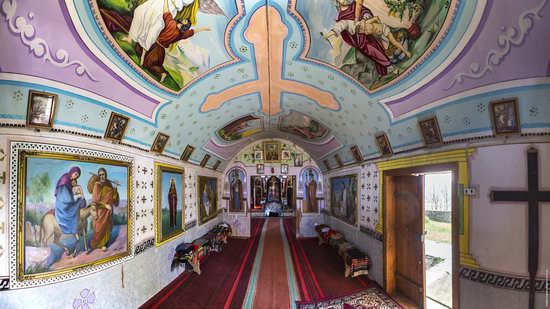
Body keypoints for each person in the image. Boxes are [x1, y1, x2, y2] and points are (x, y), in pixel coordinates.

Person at [134, 0, 211, 82]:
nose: (184, 19)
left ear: (184, 25)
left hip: (157, 50)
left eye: (185, 20)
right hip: (157, 48)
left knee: (148, 64)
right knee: (138, 48)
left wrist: (203, 28)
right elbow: (166, 12)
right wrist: (204, 28)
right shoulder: (176, 29)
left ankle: (162, 74)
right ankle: (144, 58)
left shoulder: (173, 25)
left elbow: (192, 31)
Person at [323, 0, 391, 76]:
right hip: (360, 40)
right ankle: (388, 66)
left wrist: (365, 19)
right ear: (337, 2)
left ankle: (386, 65)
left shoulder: (354, 6)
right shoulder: (341, 17)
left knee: (379, 47)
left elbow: (365, 11)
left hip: (369, 32)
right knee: (374, 52)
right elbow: (340, 27)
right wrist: (328, 35)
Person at [88, 168, 120, 251]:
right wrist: (105, 206)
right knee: (99, 229)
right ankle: (97, 244)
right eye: (100, 175)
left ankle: (105, 244)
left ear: (106, 175)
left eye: (103, 174)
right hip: (101, 210)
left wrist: (115, 188)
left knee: (107, 228)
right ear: (98, 176)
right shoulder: (97, 185)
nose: (102, 176)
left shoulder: (108, 184)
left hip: (108, 211)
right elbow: (95, 201)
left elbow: (113, 198)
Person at [54, 167, 87, 236]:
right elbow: (65, 198)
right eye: (75, 174)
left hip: (68, 202)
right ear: (72, 172)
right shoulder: (64, 180)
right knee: (79, 202)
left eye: (77, 176)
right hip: (63, 206)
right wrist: (75, 199)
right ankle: (75, 229)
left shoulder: (69, 181)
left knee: (82, 200)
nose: (76, 177)